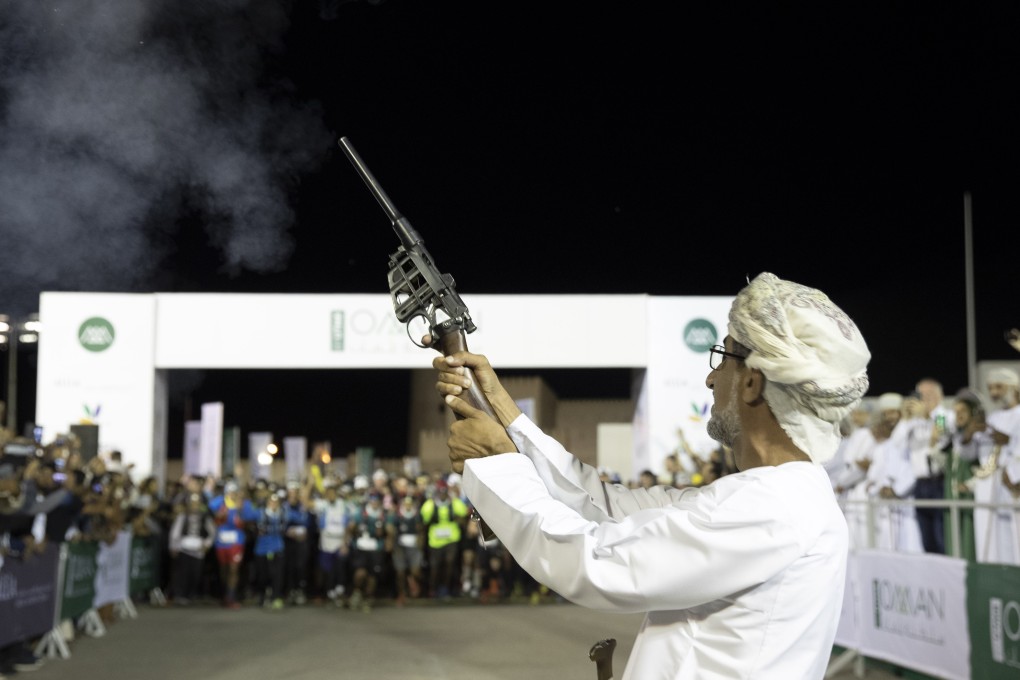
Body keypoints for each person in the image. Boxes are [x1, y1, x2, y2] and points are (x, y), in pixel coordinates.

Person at [429, 272, 870, 679]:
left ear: (752, 382)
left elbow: (597, 561)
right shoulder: (766, 497)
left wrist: (496, 460)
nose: (711, 378)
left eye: (722, 358)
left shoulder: (773, 509)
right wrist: (506, 414)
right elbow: (607, 508)